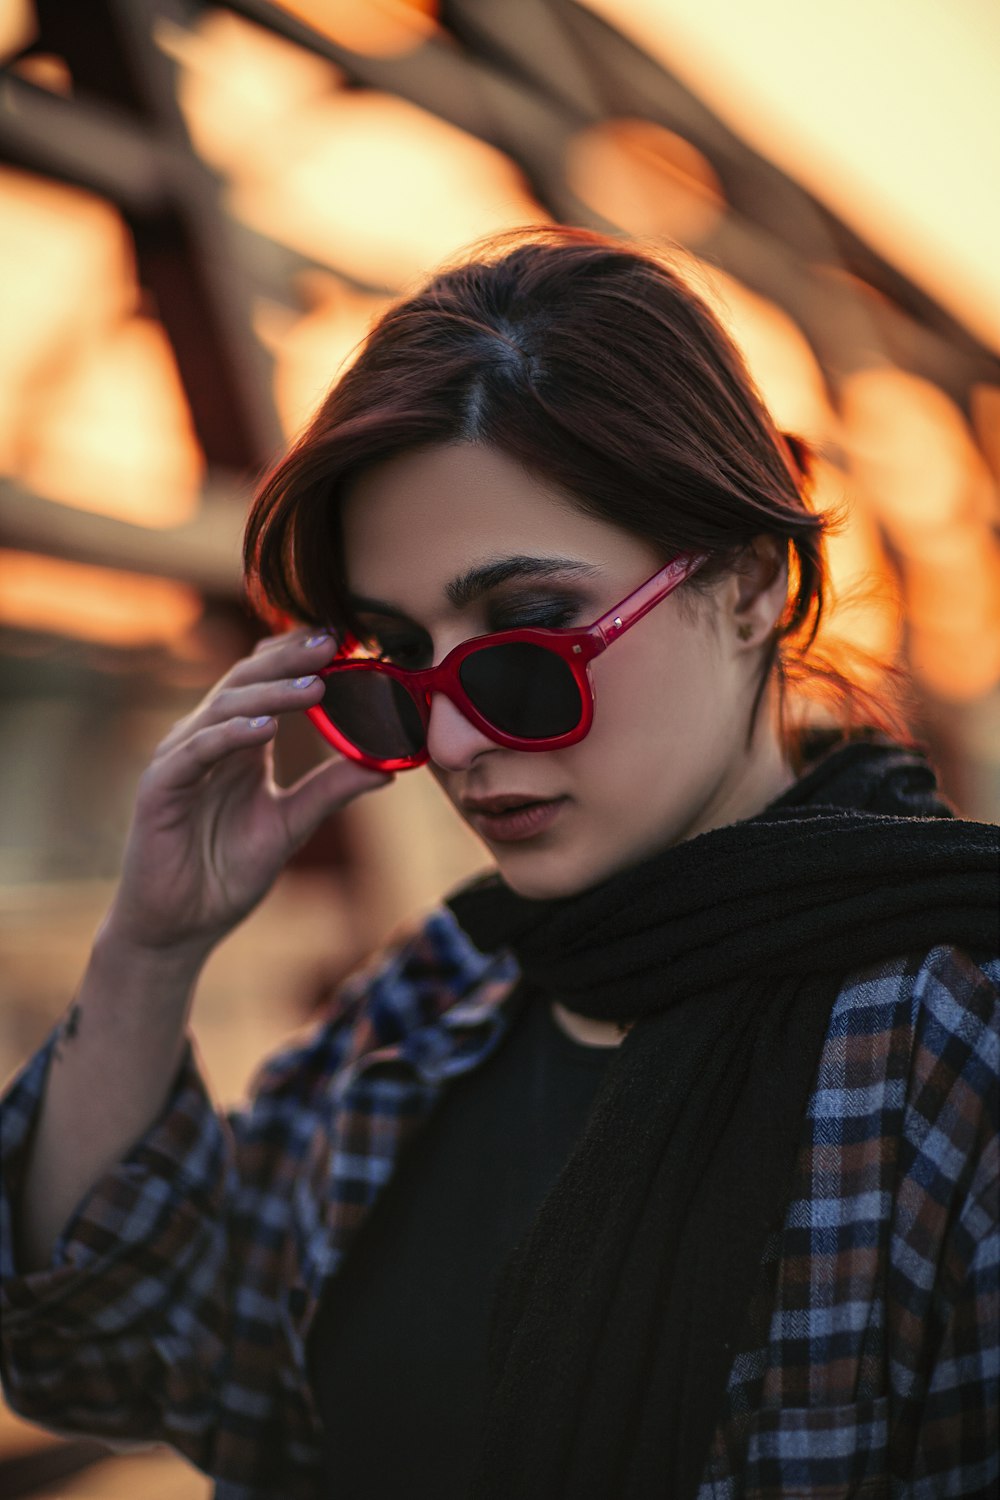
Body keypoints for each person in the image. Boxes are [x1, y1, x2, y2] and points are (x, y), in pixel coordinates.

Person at [1, 227, 997, 1500]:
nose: (457, 739)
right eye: (400, 665)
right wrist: (152, 948)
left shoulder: (954, 1060)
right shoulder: (435, 1001)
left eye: (527, 636)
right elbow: (112, 1362)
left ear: (748, 586)